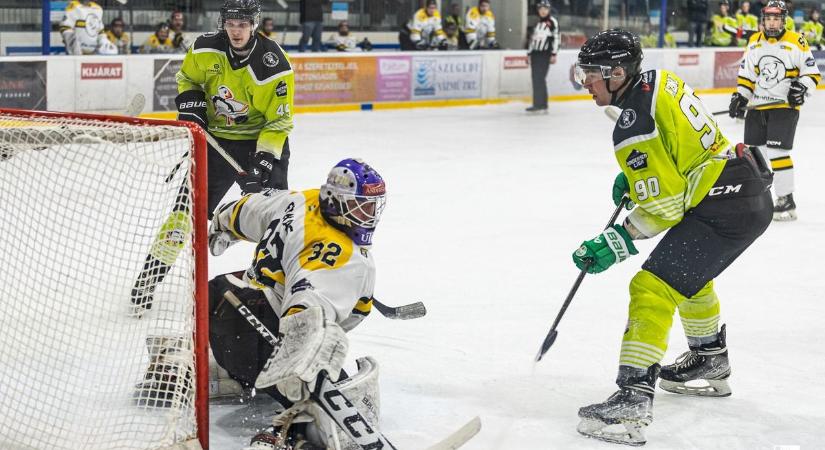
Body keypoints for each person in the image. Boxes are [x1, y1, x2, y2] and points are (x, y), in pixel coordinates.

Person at [572, 29, 773, 446]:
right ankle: (708, 359)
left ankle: (632, 398)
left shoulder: (632, 127)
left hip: (722, 204)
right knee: (686, 275)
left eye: (591, 73)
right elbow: (683, 148)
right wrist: (638, 176)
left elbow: (666, 209)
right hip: (742, 186)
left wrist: (614, 240)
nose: (585, 83)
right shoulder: (659, 80)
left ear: (616, 72)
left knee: (651, 287)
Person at [207, 158, 387, 449]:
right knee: (338, 393)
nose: (368, 216)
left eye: (372, 206)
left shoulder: (299, 200)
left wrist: (220, 228)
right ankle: (289, 434)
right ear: (336, 201)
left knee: (236, 284)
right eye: (360, 206)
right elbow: (305, 316)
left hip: (221, 310)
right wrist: (305, 372)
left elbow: (242, 210)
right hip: (256, 342)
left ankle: (216, 368)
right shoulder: (342, 255)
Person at [129, 0, 295, 312]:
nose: (236, 30)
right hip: (217, 141)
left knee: (276, 221)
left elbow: (280, 121)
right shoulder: (204, 48)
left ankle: (272, 280)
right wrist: (192, 107)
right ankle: (150, 276)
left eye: (243, 24)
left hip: (262, 142)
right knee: (186, 212)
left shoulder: (275, 65)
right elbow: (187, 79)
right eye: (231, 23)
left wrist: (263, 160)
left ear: (254, 25)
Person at [731, 0, 820, 221]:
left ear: (783, 20)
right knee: (755, 155)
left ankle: (785, 198)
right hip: (757, 106)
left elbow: (812, 74)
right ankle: (759, 199)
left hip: (783, 107)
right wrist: (740, 96)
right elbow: (747, 77)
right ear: (763, 20)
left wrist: (802, 87)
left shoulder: (796, 41)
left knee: (778, 153)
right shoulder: (754, 42)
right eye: (768, 18)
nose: (772, 22)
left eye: (776, 18)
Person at [526, 0, 559, 113]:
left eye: (545, 8)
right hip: (535, 54)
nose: (543, 11)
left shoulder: (552, 22)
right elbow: (533, 40)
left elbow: (556, 39)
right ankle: (537, 104)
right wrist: (529, 53)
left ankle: (542, 105)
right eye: (541, 8)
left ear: (549, 10)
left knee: (540, 78)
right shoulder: (537, 22)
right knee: (535, 79)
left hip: (545, 54)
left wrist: (554, 54)